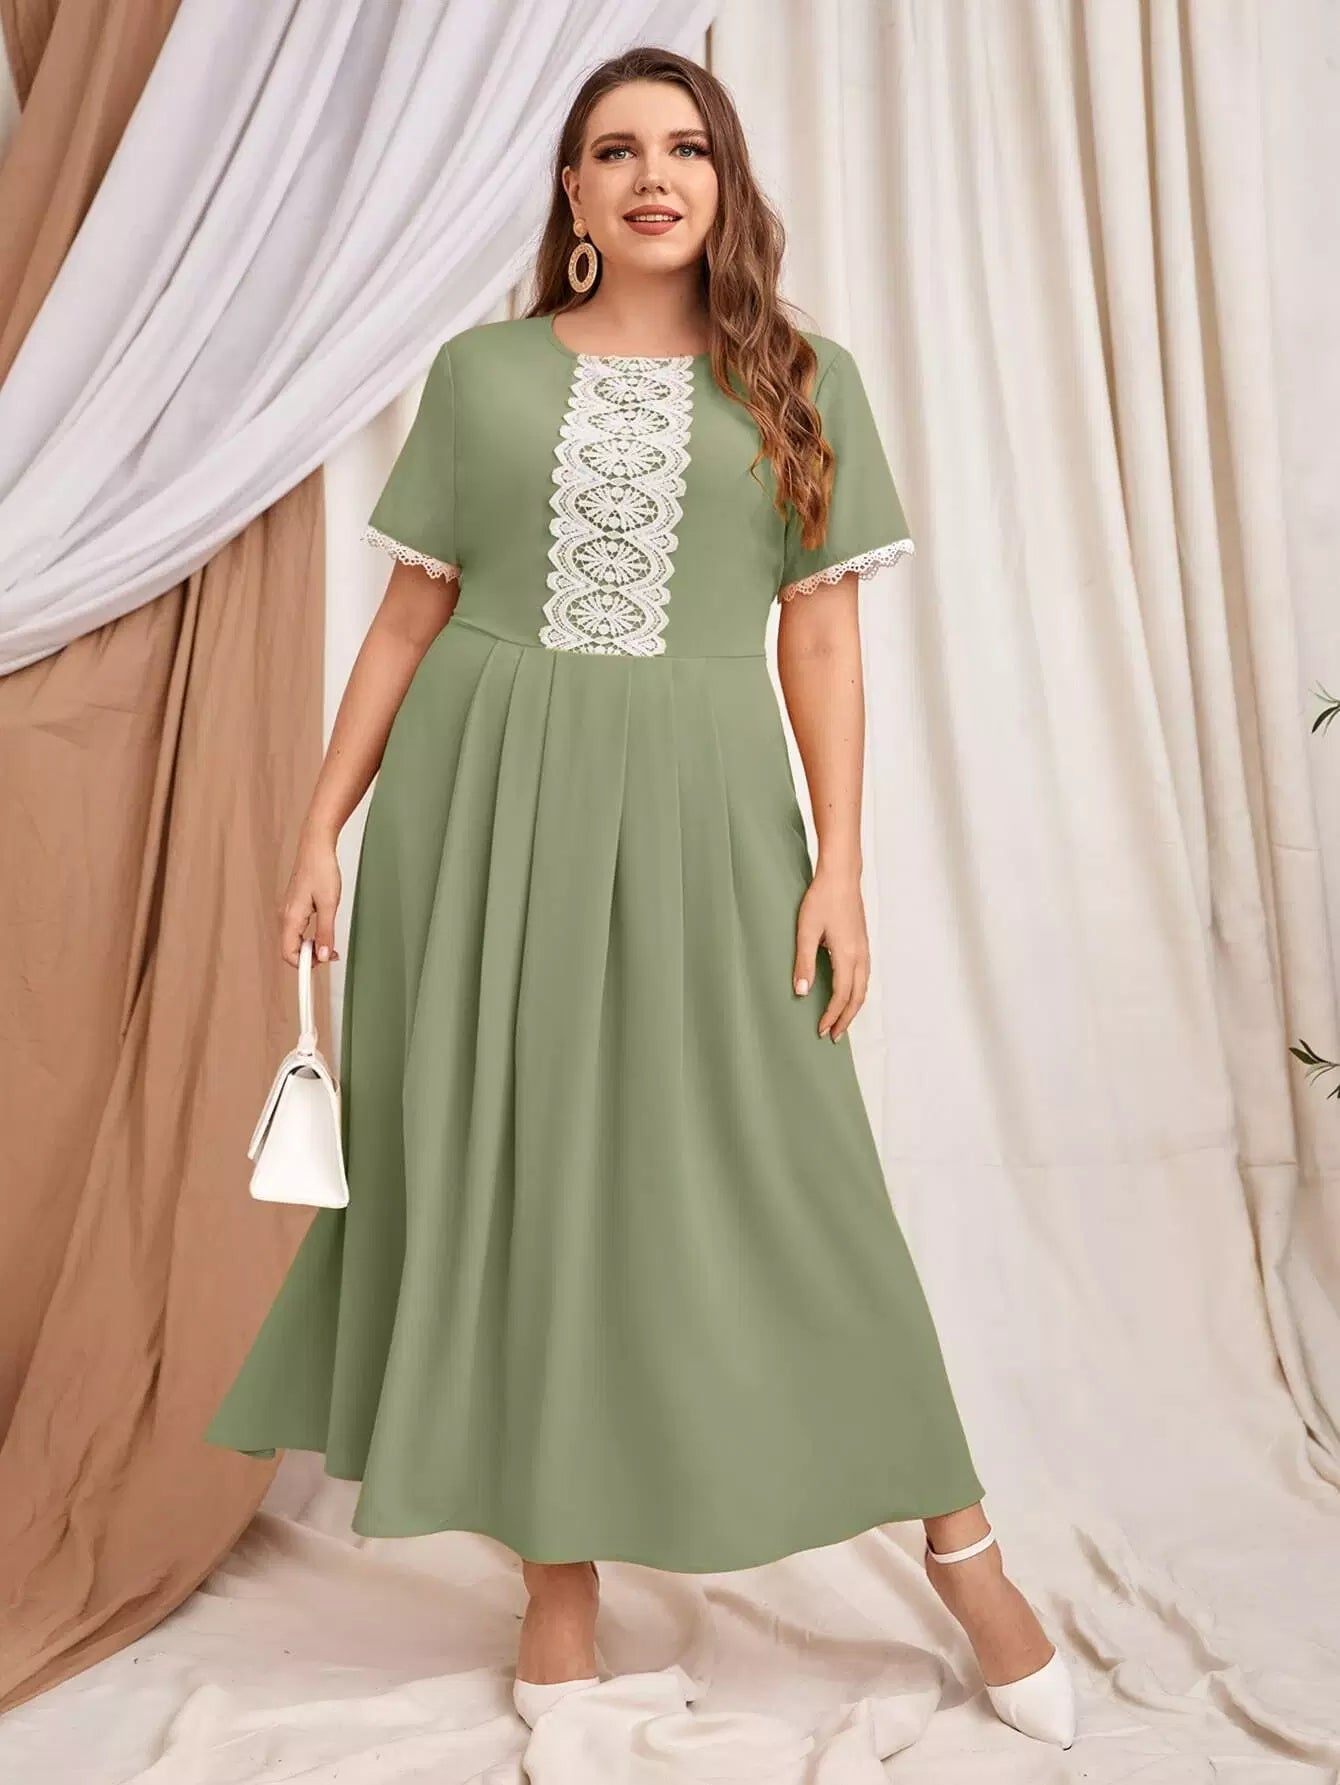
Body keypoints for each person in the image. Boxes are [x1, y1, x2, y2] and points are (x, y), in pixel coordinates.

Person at [204, 45, 1076, 1750]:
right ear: (574, 193)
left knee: (794, 1168)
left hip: (703, 807)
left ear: (725, 182)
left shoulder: (804, 379)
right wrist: (319, 828)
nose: (653, 175)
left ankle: (966, 1554)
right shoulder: (481, 374)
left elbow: (821, 636)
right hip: (479, 807)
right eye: (616, 150)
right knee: (526, 1172)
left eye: (686, 147)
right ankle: (559, 1608)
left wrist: (841, 862)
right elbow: (410, 613)